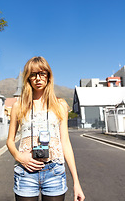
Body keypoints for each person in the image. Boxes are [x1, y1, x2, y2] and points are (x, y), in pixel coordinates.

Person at [7, 56, 85, 201]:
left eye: (42, 73)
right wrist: (19, 157)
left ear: (48, 77)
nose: (38, 78)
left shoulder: (60, 105)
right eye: (33, 74)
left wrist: (76, 182)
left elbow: (66, 143)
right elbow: (10, 141)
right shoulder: (19, 106)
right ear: (28, 78)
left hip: (54, 172)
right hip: (25, 172)